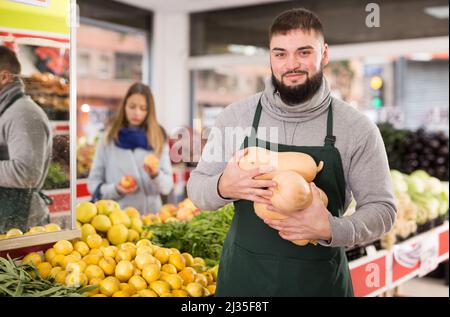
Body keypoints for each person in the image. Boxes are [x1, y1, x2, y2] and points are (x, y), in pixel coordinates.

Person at [187, 8, 397, 297]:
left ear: (323, 54)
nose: (292, 64)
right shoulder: (236, 117)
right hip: (244, 282)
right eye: (280, 53)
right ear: (270, 57)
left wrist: (331, 229)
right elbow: (197, 188)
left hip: (319, 284)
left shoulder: (357, 129)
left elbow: (383, 210)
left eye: (303, 52)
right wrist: (224, 185)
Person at [88, 82, 174, 214]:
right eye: (132, 106)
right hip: (118, 222)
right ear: (124, 107)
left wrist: (155, 174)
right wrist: (116, 189)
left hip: (151, 218)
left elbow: (167, 187)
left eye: (143, 108)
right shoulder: (108, 138)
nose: (137, 113)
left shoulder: (158, 138)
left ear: (149, 111)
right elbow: (93, 184)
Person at [0, 45, 53, 232]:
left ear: (4, 77)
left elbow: (26, 173)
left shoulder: (22, 114)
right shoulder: (7, 111)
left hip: (22, 223)